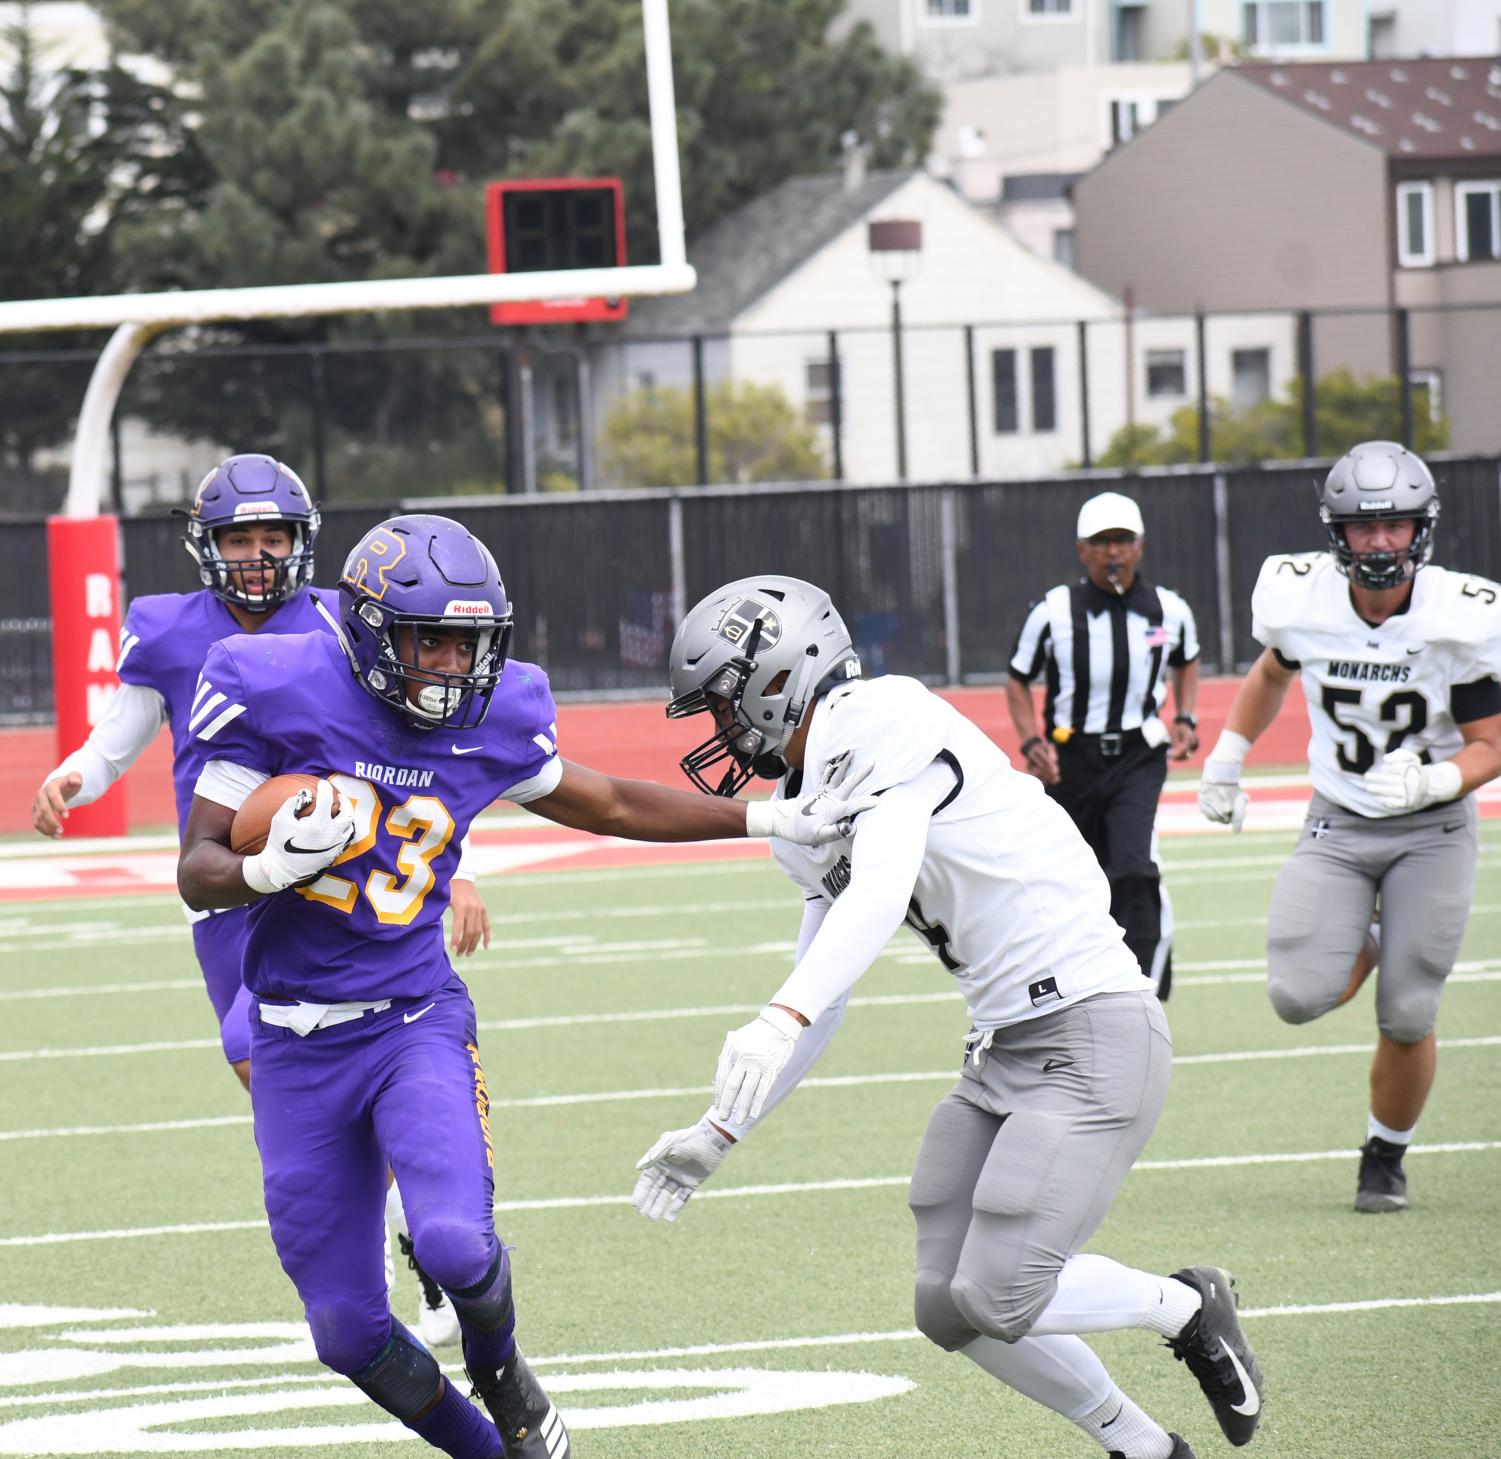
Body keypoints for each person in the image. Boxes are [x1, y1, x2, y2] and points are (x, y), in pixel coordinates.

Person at [175, 520, 871, 1459]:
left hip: (412, 1020)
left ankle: (503, 1369)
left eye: (470, 640)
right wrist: (264, 872)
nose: (453, 663)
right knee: (344, 1331)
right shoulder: (275, 684)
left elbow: (612, 803)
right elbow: (198, 865)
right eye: (431, 638)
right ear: (373, 629)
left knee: (457, 1244)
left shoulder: (493, 710)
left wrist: (765, 813)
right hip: (293, 1042)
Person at [632, 575, 1264, 1459]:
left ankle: (1190, 1304)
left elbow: (883, 880)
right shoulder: (803, 806)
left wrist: (780, 1011)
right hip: (1003, 1046)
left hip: (1092, 1027)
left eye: (723, 703)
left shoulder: (881, 715)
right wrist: (720, 1129)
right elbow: (829, 982)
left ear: (777, 676)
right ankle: (1147, 1449)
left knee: (1002, 1289)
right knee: (945, 1303)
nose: (719, 730)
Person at [30, 452, 480, 1347]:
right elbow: (121, 738)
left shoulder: (338, 624)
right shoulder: (165, 630)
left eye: (274, 536)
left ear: (302, 542)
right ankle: (388, 1211)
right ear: (208, 544)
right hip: (223, 882)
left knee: (256, 1039)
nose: (259, 553)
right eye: (242, 537)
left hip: (332, 877)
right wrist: (72, 776)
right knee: (271, 1072)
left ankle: (410, 1227)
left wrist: (461, 866)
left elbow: (420, 763)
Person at [1197, 441, 1501, 1213]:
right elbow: (1271, 671)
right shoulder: (1299, 602)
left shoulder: (1457, 617)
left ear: (1419, 530)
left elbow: (1490, 743)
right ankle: (1368, 937)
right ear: (1335, 532)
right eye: (1362, 529)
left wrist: (1438, 777)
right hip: (1337, 817)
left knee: (1406, 1009)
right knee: (1296, 994)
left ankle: (1383, 1154)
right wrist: (1226, 757)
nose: (1377, 543)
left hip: (1430, 826)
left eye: (1393, 526)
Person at [1007, 492, 1200, 997]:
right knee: (1072, 874)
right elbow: (1017, 679)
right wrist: (1031, 742)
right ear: (1081, 549)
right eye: (1101, 542)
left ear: (1140, 546)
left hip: (1139, 755)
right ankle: (1079, 982)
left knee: (1134, 867)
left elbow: (1188, 659)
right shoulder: (1053, 612)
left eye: (1122, 541)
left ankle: (1145, 986)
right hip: (1071, 760)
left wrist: (1184, 716)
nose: (1112, 552)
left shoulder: (1170, 609)